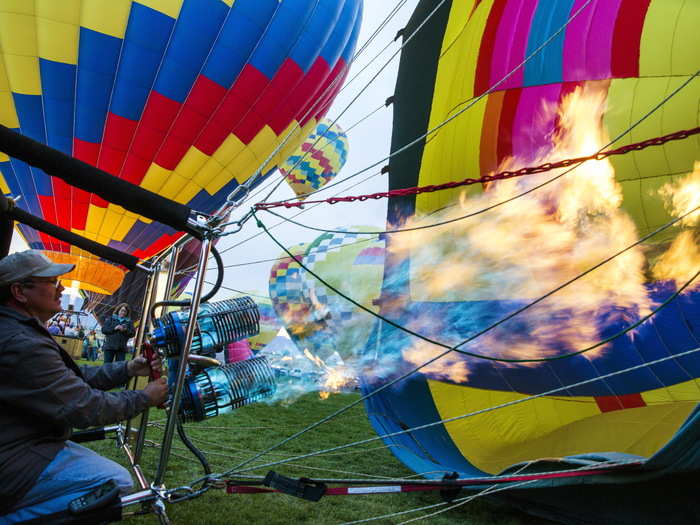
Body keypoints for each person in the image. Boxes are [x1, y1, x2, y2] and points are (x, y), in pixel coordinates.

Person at [0, 250, 168, 522]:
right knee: (114, 482)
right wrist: (144, 397)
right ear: (19, 291)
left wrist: (126, 368)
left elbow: (71, 377)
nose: (63, 288)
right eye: (53, 282)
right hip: (13, 456)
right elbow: (84, 407)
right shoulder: (22, 342)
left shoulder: (19, 329)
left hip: (23, 440)